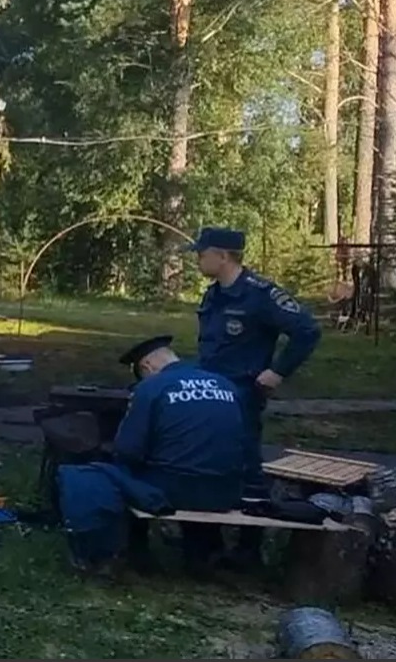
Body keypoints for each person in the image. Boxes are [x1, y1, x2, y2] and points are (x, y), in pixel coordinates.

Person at [187, 226, 322, 567]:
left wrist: (278, 371)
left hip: (243, 392)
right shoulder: (213, 295)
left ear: (224, 256)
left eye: (202, 254)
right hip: (209, 392)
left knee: (246, 462)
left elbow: (307, 330)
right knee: (208, 459)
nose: (198, 260)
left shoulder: (260, 295)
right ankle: (207, 541)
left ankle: (250, 546)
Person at [57, 335, 246, 575]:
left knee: (117, 474)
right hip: (226, 491)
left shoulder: (150, 388)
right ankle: (202, 550)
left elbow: (128, 450)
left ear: (146, 366)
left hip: (170, 493)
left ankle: (135, 552)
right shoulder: (227, 385)